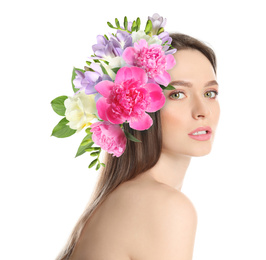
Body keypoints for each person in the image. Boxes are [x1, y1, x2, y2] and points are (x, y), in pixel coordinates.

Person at [54, 17, 220, 260]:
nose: (202, 110)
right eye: (177, 94)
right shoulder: (163, 205)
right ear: (138, 107)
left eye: (210, 93)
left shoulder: (122, 199)